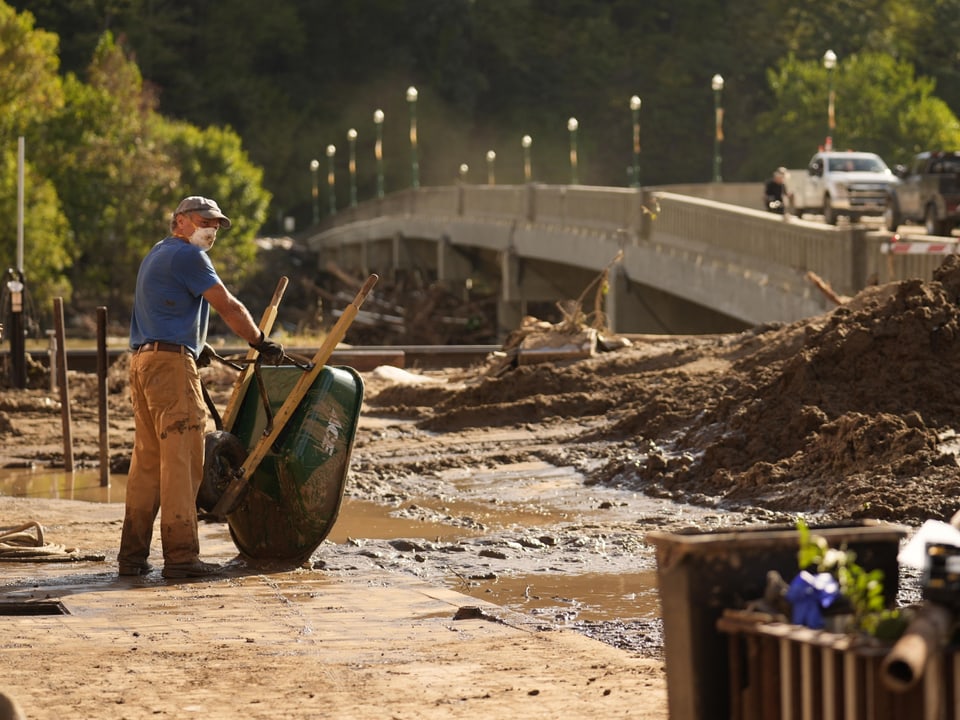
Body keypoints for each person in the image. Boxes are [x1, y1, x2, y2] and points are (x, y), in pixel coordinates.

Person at [118, 195, 284, 580]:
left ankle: (132, 557)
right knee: (183, 460)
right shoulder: (190, 257)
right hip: (170, 368)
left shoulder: (157, 254)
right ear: (180, 221)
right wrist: (260, 341)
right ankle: (180, 558)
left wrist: (194, 344)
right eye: (204, 221)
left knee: (148, 464)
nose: (211, 230)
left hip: (144, 363)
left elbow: (165, 308)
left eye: (216, 225)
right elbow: (227, 306)